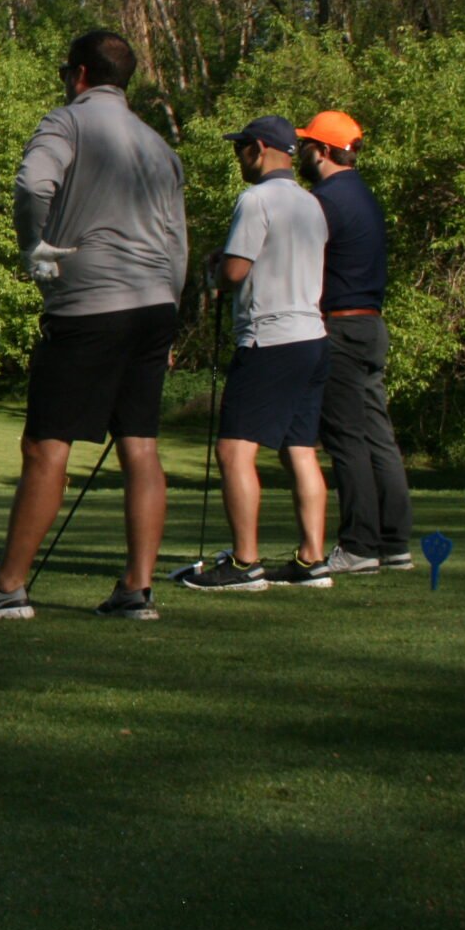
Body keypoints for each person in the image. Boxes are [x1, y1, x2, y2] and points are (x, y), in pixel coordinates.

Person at [0, 29, 188, 621]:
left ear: (78, 74)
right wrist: (172, 313)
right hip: (155, 303)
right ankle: (136, 590)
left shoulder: (67, 122)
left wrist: (36, 246)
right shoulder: (158, 144)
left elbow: (32, 184)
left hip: (91, 304)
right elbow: (178, 238)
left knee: (45, 444)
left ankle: (7, 587)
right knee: (141, 446)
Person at [180, 116, 332, 591]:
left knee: (233, 451)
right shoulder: (311, 204)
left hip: (270, 337)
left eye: (240, 148)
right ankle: (312, 560)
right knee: (299, 450)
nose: (238, 157)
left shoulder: (255, 200)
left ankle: (245, 563)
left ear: (259, 148)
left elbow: (236, 272)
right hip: (312, 335)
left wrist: (216, 269)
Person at [297, 110, 413, 574]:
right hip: (371, 325)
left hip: (340, 326)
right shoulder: (364, 196)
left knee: (346, 438)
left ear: (323, 150)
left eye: (307, 144)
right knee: (377, 436)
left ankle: (360, 546)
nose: (301, 151)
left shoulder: (323, 200)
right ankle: (394, 542)